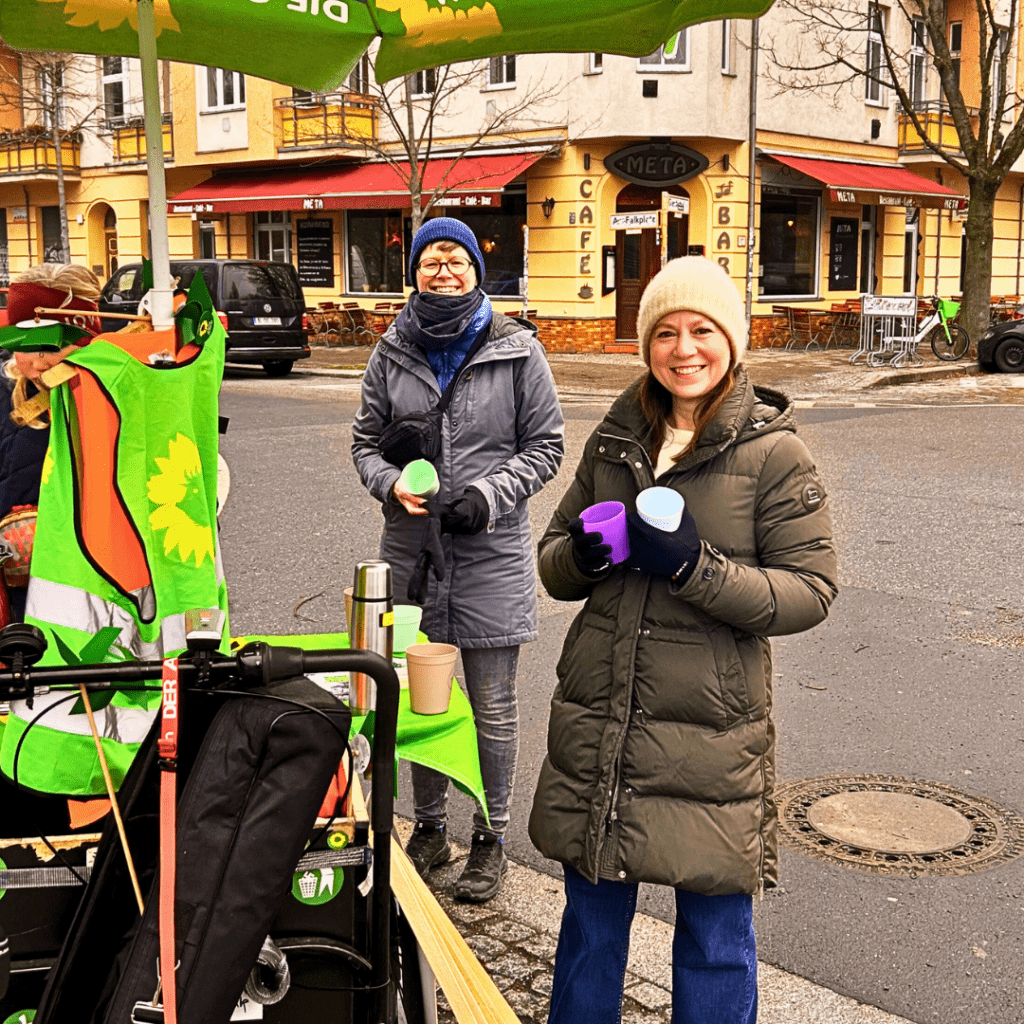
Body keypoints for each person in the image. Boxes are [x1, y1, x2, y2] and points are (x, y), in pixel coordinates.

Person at [529, 257, 837, 1023]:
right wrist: (585, 557)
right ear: (646, 346)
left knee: (713, 940)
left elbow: (810, 591)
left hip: (711, 738)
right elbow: (554, 559)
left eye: (702, 329)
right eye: (665, 332)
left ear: (731, 341)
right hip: (603, 724)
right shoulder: (616, 434)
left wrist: (697, 569)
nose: (684, 348)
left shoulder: (774, 453)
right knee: (590, 935)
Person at [352, 217, 564, 902]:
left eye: (456, 259)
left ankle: (490, 837)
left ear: (477, 270)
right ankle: (430, 828)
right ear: (413, 273)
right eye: (430, 261)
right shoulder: (390, 350)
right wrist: (391, 484)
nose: (444, 271)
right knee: (418, 698)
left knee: (493, 707)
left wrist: (487, 495)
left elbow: (546, 445)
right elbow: (363, 444)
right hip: (411, 552)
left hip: (490, 550)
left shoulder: (517, 350)